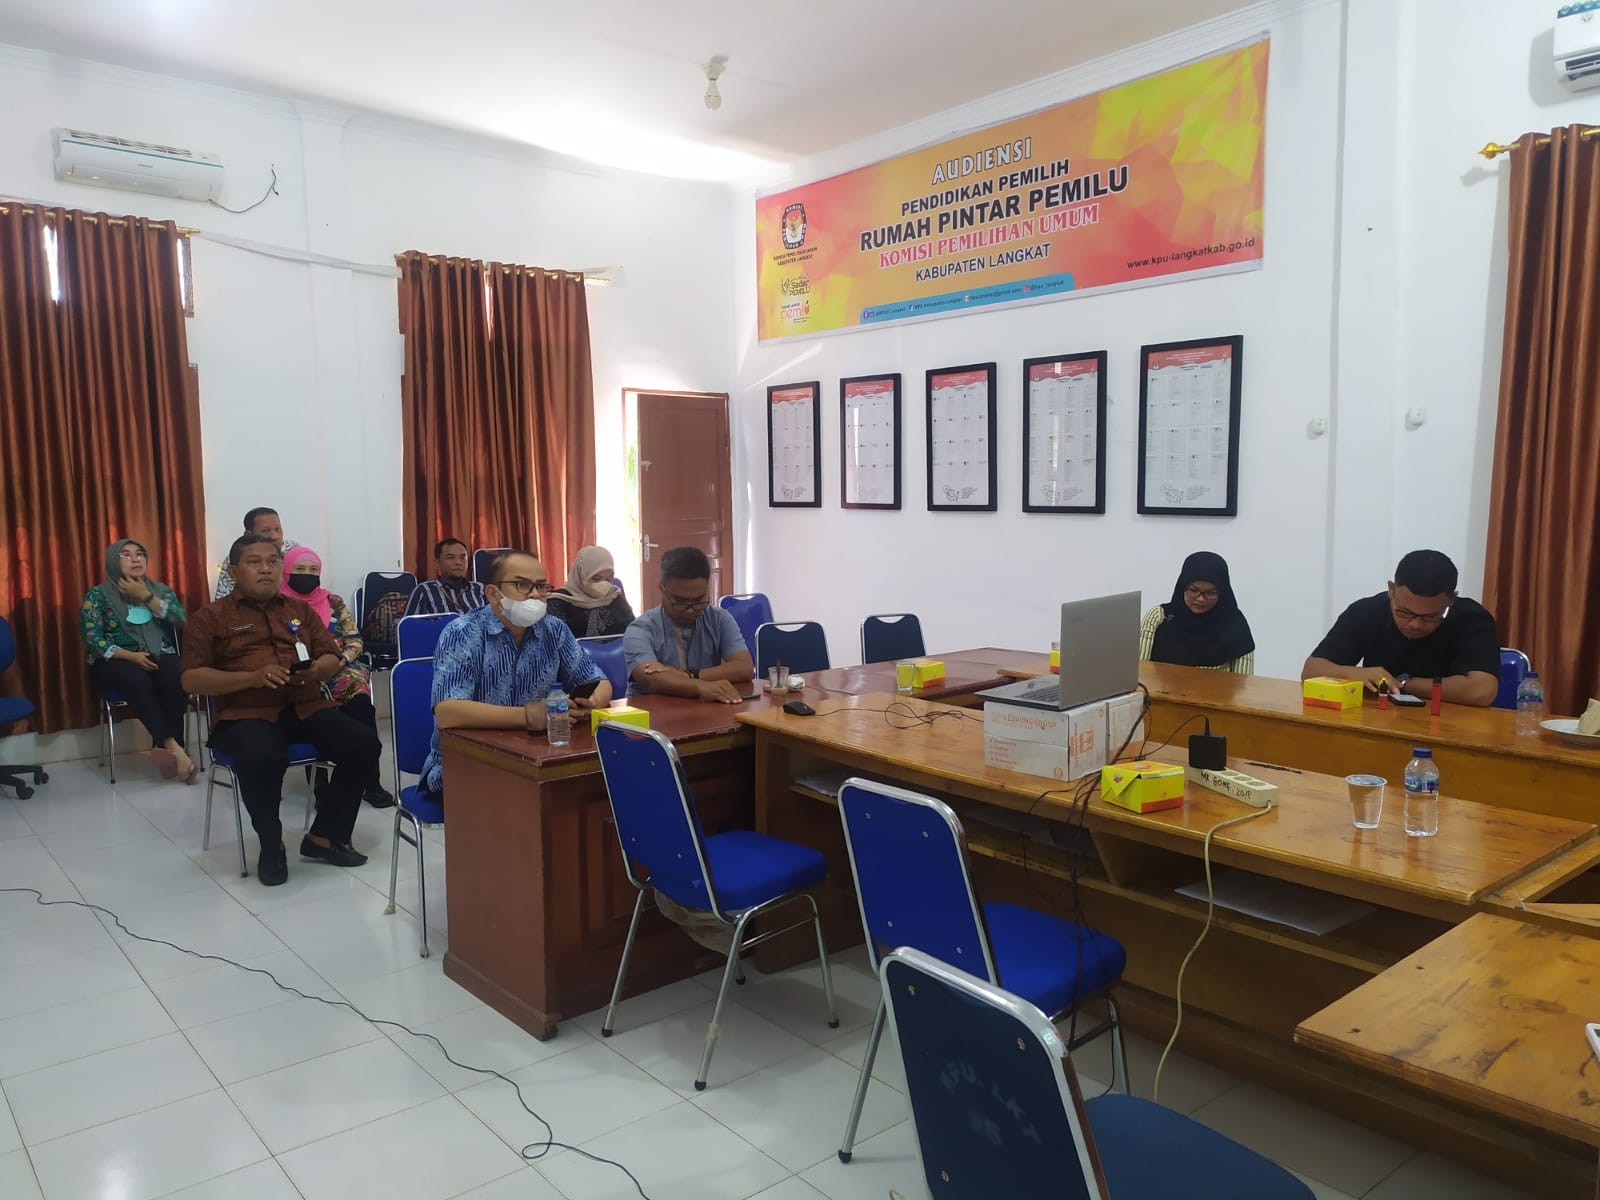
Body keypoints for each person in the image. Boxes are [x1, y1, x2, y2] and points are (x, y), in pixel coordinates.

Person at [182, 533, 381, 885]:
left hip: (305, 705)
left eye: (272, 562)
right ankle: (271, 845)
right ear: (234, 571)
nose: (266, 569)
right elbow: (191, 679)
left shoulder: (299, 610)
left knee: (363, 743)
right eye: (254, 562)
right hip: (246, 713)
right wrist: (251, 678)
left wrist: (318, 669)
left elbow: (330, 654)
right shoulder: (209, 617)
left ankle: (325, 836)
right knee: (262, 755)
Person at [418, 551, 611, 799]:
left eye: (541, 586)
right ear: (492, 593)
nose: (535, 594)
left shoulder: (553, 629)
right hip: (466, 765)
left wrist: (593, 702)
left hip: (535, 758)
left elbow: (599, 681)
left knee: (593, 789)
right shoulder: (463, 632)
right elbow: (448, 712)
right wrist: (530, 716)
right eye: (522, 585)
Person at [1303, 549, 1500, 707]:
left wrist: (1402, 684)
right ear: (1391, 590)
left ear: (1452, 599)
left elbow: (1482, 691)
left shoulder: (1472, 619)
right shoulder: (1366, 611)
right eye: (1405, 612)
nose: (1415, 624)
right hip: (1376, 721)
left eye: (1430, 616)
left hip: (1449, 726)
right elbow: (1310, 671)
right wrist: (1352, 674)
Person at [280, 546, 394, 808]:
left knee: (361, 704)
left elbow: (354, 639)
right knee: (313, 707)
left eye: (313, 570)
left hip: (340, 667)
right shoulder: (278, 606)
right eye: (300, 569)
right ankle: (320, 785)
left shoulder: (334, 602)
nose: (307, 574)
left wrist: (340, 661)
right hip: (303, 672)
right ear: (286, 571)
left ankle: (370, 781)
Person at [80, 539, 197, 783]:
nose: (135, 559)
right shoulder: (98, 595)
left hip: (159, 653)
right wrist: (132, 656)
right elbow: (92, 640)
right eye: (126, 554)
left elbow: (179, 619)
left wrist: (146, 597)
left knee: (176, 678)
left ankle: (168, 751)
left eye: (140, 553)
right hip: (115, 660)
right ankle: (173, 747)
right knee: (138, 681)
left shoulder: (160, 590)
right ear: (113, 561)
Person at [624, 545, 754, 703]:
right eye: (680, 601)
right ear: (662, 589)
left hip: (704, 708)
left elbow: (744, 667)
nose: (690, 610)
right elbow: (652, 680)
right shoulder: (640, 628)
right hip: (651, 711)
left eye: (699, 600)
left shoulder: (719, 618)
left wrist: (689, 675)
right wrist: (699, 686)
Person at [1139, 551, 1255, 674]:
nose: (1201, 599)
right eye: (1193, 590)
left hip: (1216, 688)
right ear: (1182, 587)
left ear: (1222, 593)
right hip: (1158, 687)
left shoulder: (1235, 625)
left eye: (1210, 593)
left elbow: (1243, 682)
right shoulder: (1158, 617)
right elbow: (1138, 673)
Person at [547, 545, 636, 639]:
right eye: (596, 579)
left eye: (608, 579)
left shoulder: (614, 596)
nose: (603, 584)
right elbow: (552, 640)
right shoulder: (558, 602)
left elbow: (634, 631)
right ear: (580, 575)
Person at [214, 507, 298, 600]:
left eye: (277, 529)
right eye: (265, 531)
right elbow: (223, 600)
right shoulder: (237, 558)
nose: (275, 536)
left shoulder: (294, 551)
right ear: (248, 534)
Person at [404, 537, 488, 616]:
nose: (458, 562)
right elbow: (407, 625)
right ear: (437, 563)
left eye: (462, 558)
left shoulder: (481, 589)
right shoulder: (423, 591)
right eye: (451, 558)